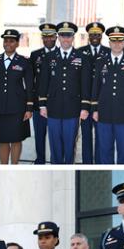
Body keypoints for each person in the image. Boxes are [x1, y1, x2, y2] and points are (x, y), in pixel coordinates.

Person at [38, 22, 91, 165]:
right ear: (58, 37)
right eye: (63, 36)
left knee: (69, 144)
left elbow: (85, 84)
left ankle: (68, 165)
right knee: (54, 144)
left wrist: (85, 107)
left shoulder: (81, 57)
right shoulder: (49, 57)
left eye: (68, 36)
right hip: (53, 107)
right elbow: (44, 82)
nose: (66, 39)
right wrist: (42, 105)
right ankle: (55, 165)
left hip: (73, 108)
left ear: (73, 37)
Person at [91, 26, 124, 164]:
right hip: (104, 113)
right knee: (104, 149)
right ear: (109, 43)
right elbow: (96, 87)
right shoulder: (101, 62)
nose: (117, 44)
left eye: (120, 41)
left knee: (123, 150)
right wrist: (94, 109)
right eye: (114, 41)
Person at [0, 29, 33, 164]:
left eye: (11, 41)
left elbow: (29, 86)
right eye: (5, 41)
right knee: (2, 139)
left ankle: (14, 165)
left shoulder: (23, 61)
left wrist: (29, 108)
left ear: (17, 43)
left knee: (17, 139)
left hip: (17, 107)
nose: (7, 43)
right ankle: (3, 165)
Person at [78, 22, 110, 164]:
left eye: (97, 34)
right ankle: (87, 163)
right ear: (88, 36)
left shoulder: (108, 52)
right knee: (86, 136)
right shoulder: (79, 52)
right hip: (84, 102)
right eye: (92, 35)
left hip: (102, 103)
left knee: (101, 136)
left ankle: (99, 163)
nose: (95, 37)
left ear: (101, 36)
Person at [30, 23, 57, 164]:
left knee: (55, 136)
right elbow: (30, 80)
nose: (47, 39)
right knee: (39, 134)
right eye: (45, 37)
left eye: (50, 36)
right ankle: (40, 159)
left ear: (55, 37)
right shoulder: (35, 55)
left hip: (55, 103)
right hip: (38, 103)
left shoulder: (62, 54)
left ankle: (55, 160)